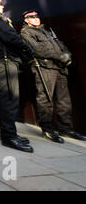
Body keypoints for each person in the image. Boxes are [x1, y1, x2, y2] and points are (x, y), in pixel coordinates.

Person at [20, 10, 86, 142]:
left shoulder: (47, 31)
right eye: (31, 17)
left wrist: (67, 56)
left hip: (59, 68)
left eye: (36, 16)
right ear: (26, 20)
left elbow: (60, 45)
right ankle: (48, 129)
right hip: (45, 68)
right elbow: (38, 50)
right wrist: (60, 57)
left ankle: (66, 129)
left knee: (64, 100)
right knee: (45, 99)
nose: (36, 18)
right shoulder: (26, 32)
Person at [0, 0, 34, 153]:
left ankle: (12, 134)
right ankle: (8, 136)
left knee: (12, 98)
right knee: (9, 97)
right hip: (4, 60)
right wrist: (26, 48)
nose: (2, 7)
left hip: (9, 60)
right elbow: (9, 36)